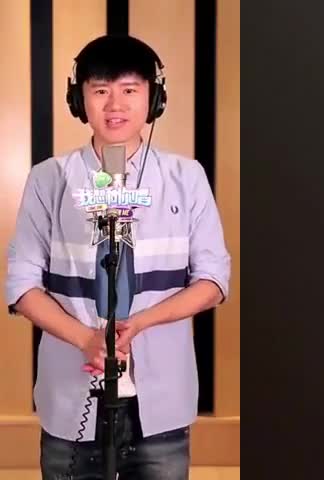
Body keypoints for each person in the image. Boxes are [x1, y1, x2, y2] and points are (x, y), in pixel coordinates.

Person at [6, 34, 230, 479]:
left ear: (154, 98)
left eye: (129, 90)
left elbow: (213, 279)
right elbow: (21, 284)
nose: (115, 105)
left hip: (162, 401)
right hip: (70, 397)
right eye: (100, 90)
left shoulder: (186, 177)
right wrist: (86, 339)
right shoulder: (49, 178)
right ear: (79, 100)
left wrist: (139, 324)